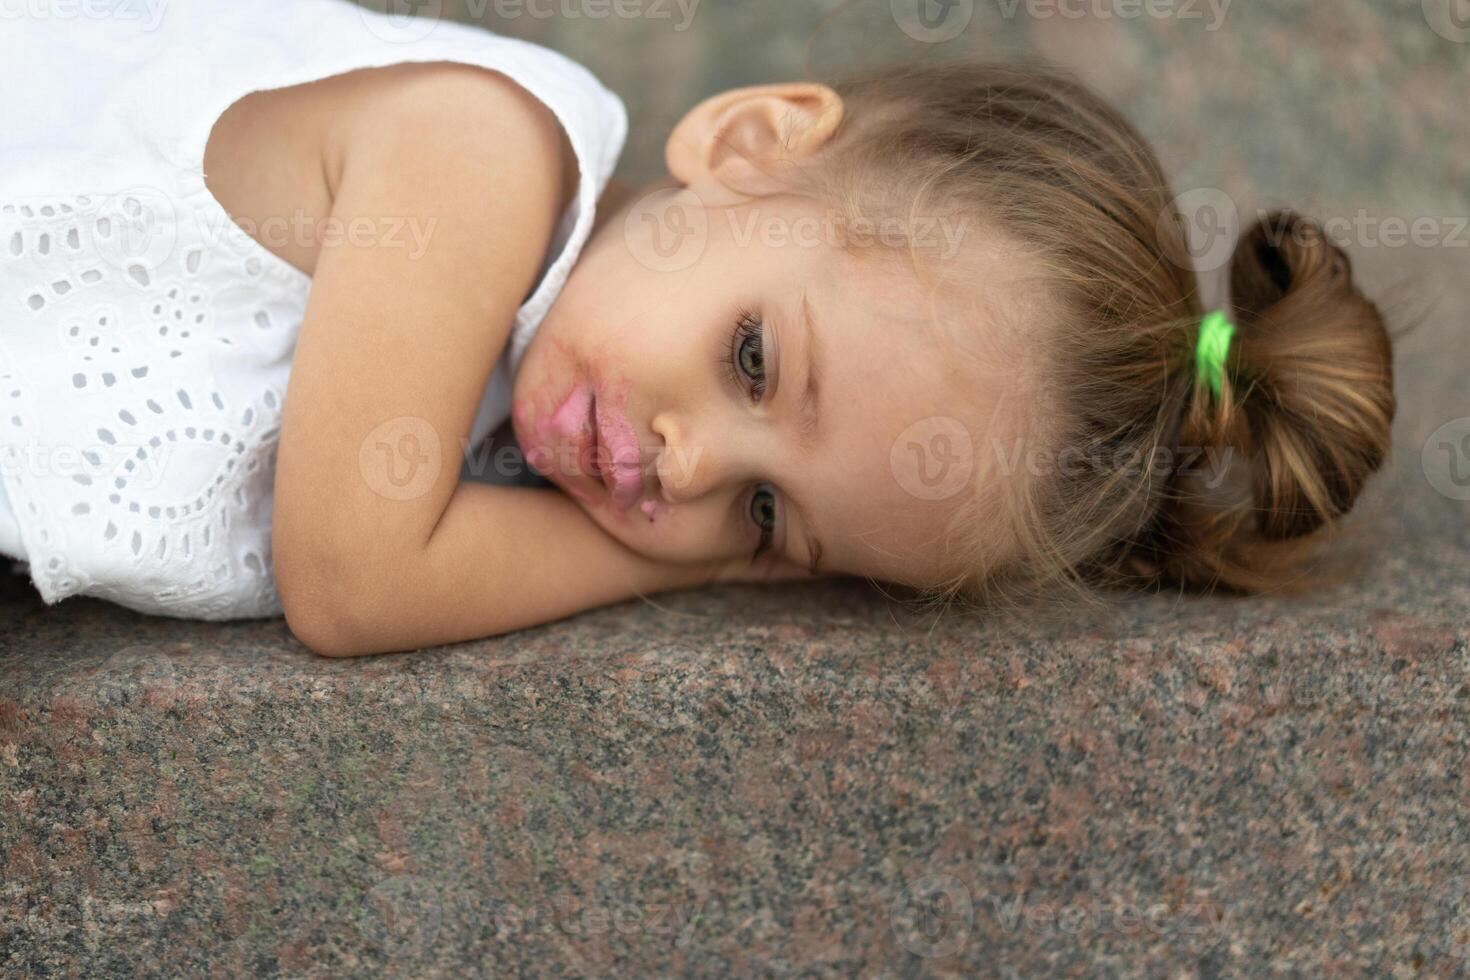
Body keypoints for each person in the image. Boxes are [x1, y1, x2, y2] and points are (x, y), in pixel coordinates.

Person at [0, 0, 1395, 656]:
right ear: (749, 139)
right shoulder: (477, 164)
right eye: (751, 362)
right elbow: (352, 581)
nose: (679, 466)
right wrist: (724, 574)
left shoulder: (513, 404)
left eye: (768, 516)